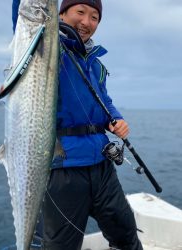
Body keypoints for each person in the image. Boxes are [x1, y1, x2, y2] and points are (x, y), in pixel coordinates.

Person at [39, 0, 144, 249]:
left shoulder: (95, 62)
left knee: (126, 232)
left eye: (95, 17)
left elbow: (104, 100)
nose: (87, 22)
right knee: (61, 245)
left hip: (101, 164)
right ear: (61, 13)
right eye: (80, 12)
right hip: (63, 166)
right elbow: (22, 19)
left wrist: (116, 119)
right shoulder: (46, 48)